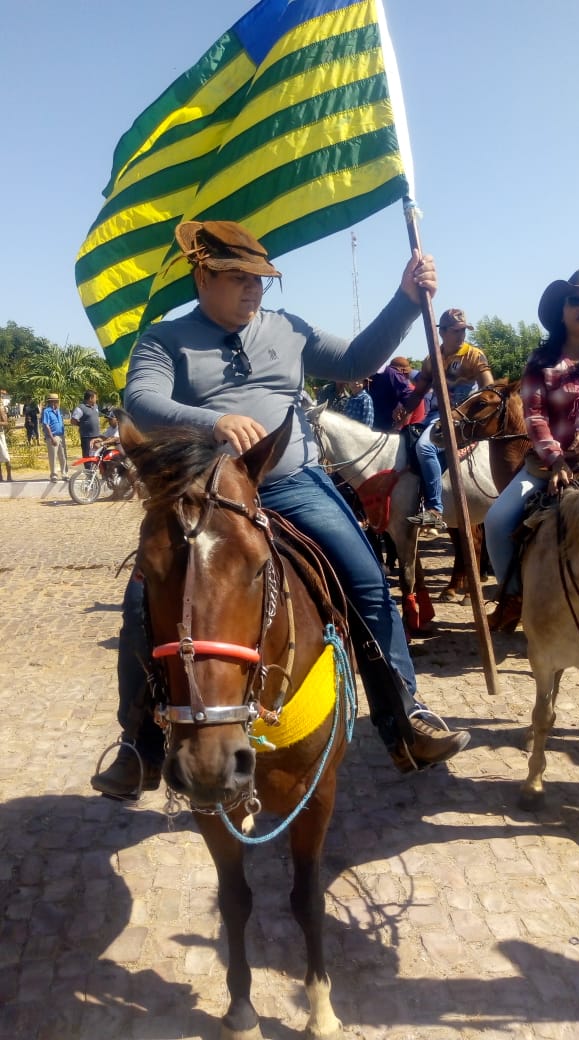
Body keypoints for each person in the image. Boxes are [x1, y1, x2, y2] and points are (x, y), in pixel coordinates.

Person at [91, 219, 470, 799]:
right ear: (202, 276)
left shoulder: (288, 330)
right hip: (204, 496)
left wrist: (405, 299)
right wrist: (211, 422)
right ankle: (138, 745)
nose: (253, 289)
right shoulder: (162, 341)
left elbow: (358, 360)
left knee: (368, 581)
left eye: (260, 279)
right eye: (239, 278)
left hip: (291, 483)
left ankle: (404, 719)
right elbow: (140, 400)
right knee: (143, 598)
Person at [484, 269, 579, 632]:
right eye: (575, 299)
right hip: (547, 466)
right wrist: (555, 458)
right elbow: (535, 415)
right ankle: (514, 596)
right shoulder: (541, 362)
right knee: (497, 521)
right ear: (562, 310)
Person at [393, 309, 494, 532]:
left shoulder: (475, 355)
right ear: (443, 332)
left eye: (464, 330)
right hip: (436, 417)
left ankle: (435, 509)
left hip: (464, 418)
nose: (462, 335)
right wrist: (403, 409)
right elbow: (418, 392)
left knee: (425, 448)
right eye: (457, 331)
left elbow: (490, 389)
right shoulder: (432, 359)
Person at [368, 356, 427, 431]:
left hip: (372, 422)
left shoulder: (373, 372)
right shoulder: (394, 374)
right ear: (402, 371)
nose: (406, 377)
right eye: (406, 374)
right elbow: (409, 397)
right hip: (384, 426)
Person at [41, 393, 68, 482]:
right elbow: (46, 425)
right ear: (52, 402)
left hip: (61, 436)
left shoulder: (58, 410)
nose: (58, 403)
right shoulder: (47, 411)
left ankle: (64, 473)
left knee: (63, 456)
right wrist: (51, 438)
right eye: (56, 401)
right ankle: (54, 475)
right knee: (53, 456)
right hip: (53, 436)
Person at [71, 389, 101, 462]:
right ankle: (88, 471)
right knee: (87, 455)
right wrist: (82, 425)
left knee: (97, 455)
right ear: (90, 398)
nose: (96, 400)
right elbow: (73, 420)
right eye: (95, 398)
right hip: (87, 437)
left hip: (96, 436)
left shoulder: (96, 406)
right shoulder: (80, 408)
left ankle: (95, 470)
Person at [0, 400, 12, 482]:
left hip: (0, 434)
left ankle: (9, 476)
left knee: (6, 456)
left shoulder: (1, 409)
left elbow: (5, 422)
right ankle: (0, 477)